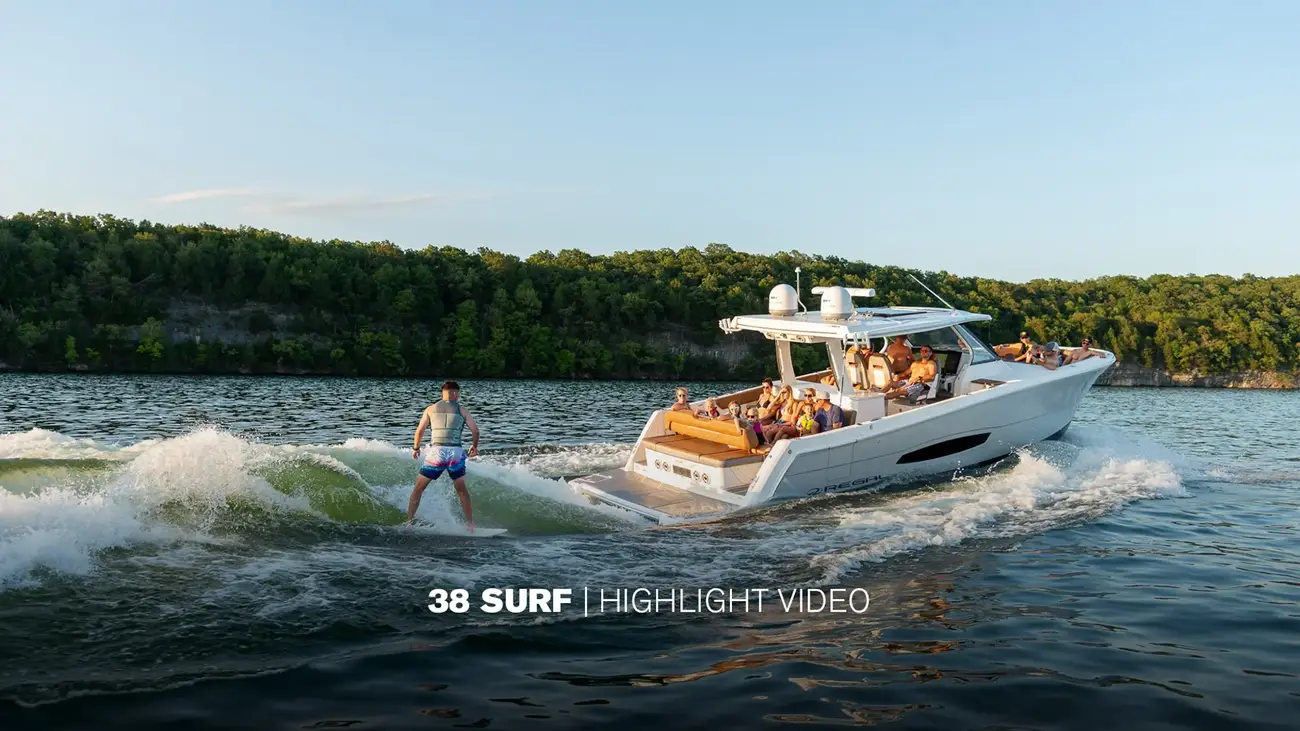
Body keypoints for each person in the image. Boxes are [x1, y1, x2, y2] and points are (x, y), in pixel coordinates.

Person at [408, 381, 480, 530]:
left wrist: (416, 448)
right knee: (462, 491)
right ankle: (470, 525)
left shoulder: (430, 409)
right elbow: (475, 430)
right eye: (458, 394)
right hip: (455, 454)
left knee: (418, 489)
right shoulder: (462, 410)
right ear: (455, 393)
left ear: (443, 393)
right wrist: (474, 446)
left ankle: (409, 522)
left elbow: (419, 430)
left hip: (437, 453)